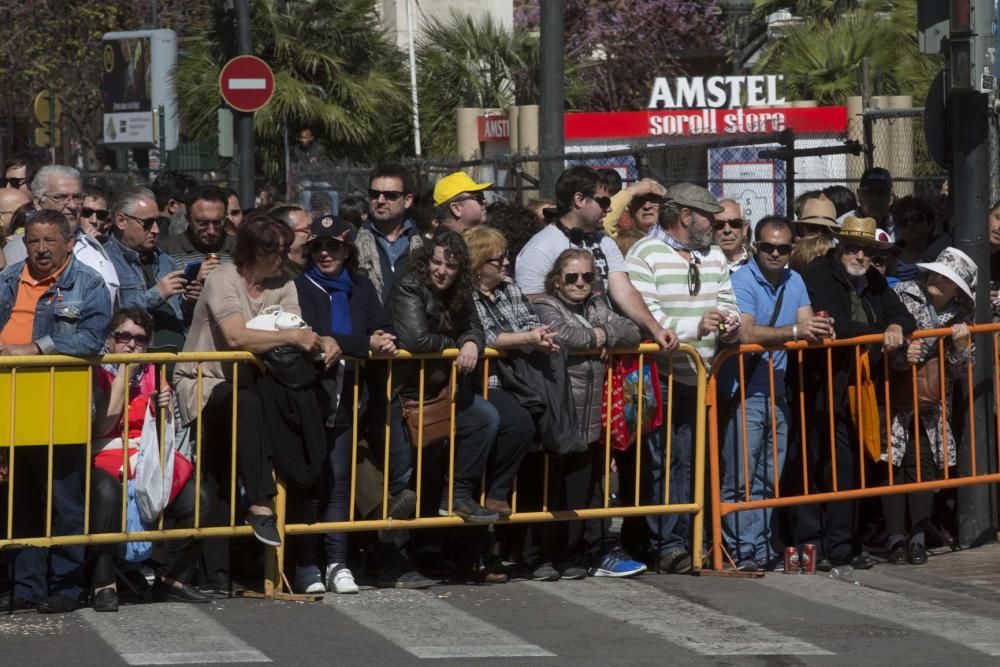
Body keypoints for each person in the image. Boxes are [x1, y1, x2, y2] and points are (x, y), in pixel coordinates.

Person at [174, 211, 338, 548]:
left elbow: (297, 332)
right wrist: (293, 337)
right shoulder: (223, 279)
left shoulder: (285, 282)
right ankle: (261, 504)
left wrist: (322, 341)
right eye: (277, 251)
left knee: (276, 405)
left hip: (255, 382)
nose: (285, 257)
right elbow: (236, 336)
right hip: (205, 380)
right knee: (245, 405)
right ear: (255, 251)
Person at [0, 209, 112, 613]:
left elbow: (90, 339)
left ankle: (66, 586)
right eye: (33, 241)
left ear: (68, 242)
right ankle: (26, 587)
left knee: (65, 500)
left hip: (61, 404)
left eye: (50, 240)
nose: (41, 249)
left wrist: (35, 348)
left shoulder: (90, 282)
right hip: (13, 405)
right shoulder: (8, 280)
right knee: (20, 500)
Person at [626, 182, 740, 573]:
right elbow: (647, 319)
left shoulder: (714, 256)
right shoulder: (645, 254)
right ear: (685, 216)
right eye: (709, 216)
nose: (717, 223)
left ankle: (693, 540)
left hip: (705, 377)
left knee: (694, 462)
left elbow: (728, 302)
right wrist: (696, 325)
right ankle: (666, 545)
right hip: (662, 377)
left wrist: (728, 323)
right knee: (665, 463)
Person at [798, 215, 916, 571]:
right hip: (817, 385)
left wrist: (895, 325)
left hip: (857, 387)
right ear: (839, 247)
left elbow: (904, 316)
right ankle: (811, 545)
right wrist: (881, 333)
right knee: (812, 466)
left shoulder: (873, 279)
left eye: (867, 250)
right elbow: (832, 321)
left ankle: (842, 545)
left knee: (848, 469)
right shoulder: (819, 272)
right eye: (853, 248)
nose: (860, 256)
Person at [293, 214, 400, 594]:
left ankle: (337, 561)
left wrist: (383, 338)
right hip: (309, 395)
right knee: (309, 482)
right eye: (318, 246)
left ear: (346, 250)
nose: (325, 253)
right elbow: (311, 334)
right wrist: (363, 343)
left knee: (338, 481)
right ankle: (305, 563)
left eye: (333, 246)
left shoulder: (361, 286)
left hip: (348, 396)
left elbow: (380, 326)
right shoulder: (300, 286)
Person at [721, 217, 834, 570]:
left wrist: (818, 328)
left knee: (768, 479)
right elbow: (748, 333)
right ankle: (741, 549)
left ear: (791, 249)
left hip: (778, 392)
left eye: (783, 248)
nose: (775, 253)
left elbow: (805, 324)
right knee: (740, 479)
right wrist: (798, 329)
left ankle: (759, 545)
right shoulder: (741, 280)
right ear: (755, 246)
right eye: (768, 246)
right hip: (744, 393)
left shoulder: (794, 280)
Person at [533, 248, 648, 579]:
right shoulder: (545, 304)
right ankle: (543, 555)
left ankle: (575, 555)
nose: (580, 283)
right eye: (572, 277)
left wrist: (607, 334)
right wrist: (598, 336)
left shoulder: (597, 304)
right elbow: (563, 335)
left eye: (587, 276)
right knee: (552, 486)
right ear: (558, 279)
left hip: (591, 416)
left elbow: (631, 330)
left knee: (583, 487)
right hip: (560, 412)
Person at [88, 307, 213, 612]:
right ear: (110, 338)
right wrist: (123, 377)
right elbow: (102, 426)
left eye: (140, 340)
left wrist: (165, 408)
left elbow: (165, 430)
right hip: (104, 456)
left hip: (146, 460)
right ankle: (104, 584)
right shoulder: (97, 370)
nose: (131, 345)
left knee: (199, 498)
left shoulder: (154, 372)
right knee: (105, 494)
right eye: (124, 337)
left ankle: (173, 580)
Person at [385, 229, 501, 524]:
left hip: (442, 390)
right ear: (427, 261)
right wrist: (457, 344)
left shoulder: (461, 290)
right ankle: (391, 547)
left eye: (450, 266)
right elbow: (416, 340)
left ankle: (458, 495)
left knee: (486, 418)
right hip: (404, 390)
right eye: (437, 263)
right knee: (404, 480)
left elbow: (475, 326)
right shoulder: (410, 284)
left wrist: (472, 342)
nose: (442, 271)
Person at [516, 166, 677, 353]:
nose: (609, 208)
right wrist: (590, 338)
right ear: (579, 199)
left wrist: (655, 329)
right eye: (603, 201)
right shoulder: (540, 248)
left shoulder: (605, 242)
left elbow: (624, 292)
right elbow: (531, 309)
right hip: (561, 364)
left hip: (601, 362)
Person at [883, 247, 976, 565]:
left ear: (958, 289)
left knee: (923, 467)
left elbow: (960, 370)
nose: (938, 279)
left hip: (934, 403)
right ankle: (895, 538)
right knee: (892, 466)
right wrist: (901, 353)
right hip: (894, 396)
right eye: (936, 272)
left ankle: (918, 539)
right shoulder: (902, 293)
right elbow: (885, 336)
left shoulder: (962, 316)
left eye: (948, 278)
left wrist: (962, 347)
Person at [103, 186, 186, 346]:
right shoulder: (104, 261)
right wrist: (157, 294)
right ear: (121, 221)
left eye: (158, 222)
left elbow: (181, 314)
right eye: (147, 223)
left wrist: (189, 301)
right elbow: (109, 317)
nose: (155, 230)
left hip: (177, 363)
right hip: (136, 364)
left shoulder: (165, 260)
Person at [32, 165, 119, 303]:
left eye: (78, 197)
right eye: (60, 197)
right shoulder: (21, 251)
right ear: (38, 203)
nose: (72, 205)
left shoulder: (96, 247)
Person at [355, 163, 424, 303]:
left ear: (408, 200)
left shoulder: (424, 243)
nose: (380, 201)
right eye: (374, 194)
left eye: (390, 195)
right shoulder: (352, 243)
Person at [160, 184, 234, 269]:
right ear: (188, 219)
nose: (211, 231)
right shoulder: (168, 250)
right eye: (203, 223)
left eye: (217, 222)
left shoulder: (240, 249)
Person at [890, 196, 950, 283]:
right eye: (903, 221)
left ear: (930, 224)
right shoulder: (889, 259)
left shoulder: (941, 255)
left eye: (916, 218)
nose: (910, 224)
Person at [601, 178, 666, 237]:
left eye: (653, 200)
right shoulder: (624, 241)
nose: (647, 206)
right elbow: (603, 223)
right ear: (630, 210)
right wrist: (631, 190)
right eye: (640, 201)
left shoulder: (673, 236)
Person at [271, 204, 313, 276]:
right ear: (285, 234)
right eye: (308, 228)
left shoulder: (317, 267)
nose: (315, 232)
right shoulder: (277, 275)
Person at [854, 167, 895, 240]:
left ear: (891, 197)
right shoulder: (843, 226)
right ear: (859, 195)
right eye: (870, 192)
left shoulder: (902, 227)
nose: (875, 198)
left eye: (881, 192)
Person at [713, 199, 749, 272]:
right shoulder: (700, 265)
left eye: (734, 223)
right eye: (719, 224)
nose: (727, 230)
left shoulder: (759, 265)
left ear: (744, 229)